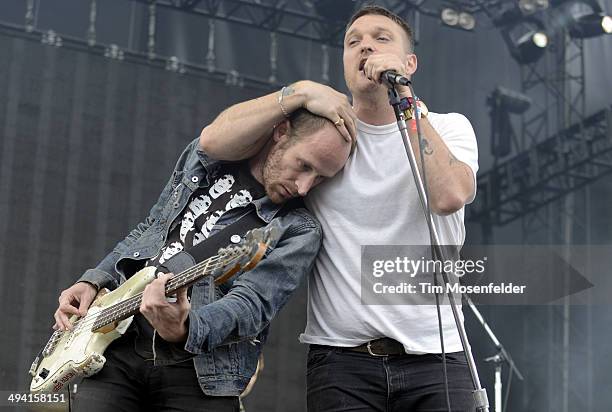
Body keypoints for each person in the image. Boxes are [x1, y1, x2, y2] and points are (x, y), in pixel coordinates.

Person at [198, 5, 479, 411]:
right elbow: (212, 142)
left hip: (438, 356)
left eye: (381, 38)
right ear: (345, 63)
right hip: (342, 362)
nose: (366, 45)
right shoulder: (325, 137)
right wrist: (297, 94)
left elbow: (449, 195)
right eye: (353, 42)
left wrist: (403, 96)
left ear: (410, 63)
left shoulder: (449, 127)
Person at [52, 108, 352, 412]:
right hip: (116, 347)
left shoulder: (298, 228)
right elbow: (152, 228)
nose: (303, 186)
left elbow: (252, 305)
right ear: (281, 131)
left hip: (200, 374)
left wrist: (186, 327)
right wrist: (94, 279)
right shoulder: (205, 161)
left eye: (319, 179)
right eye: (303, 165)